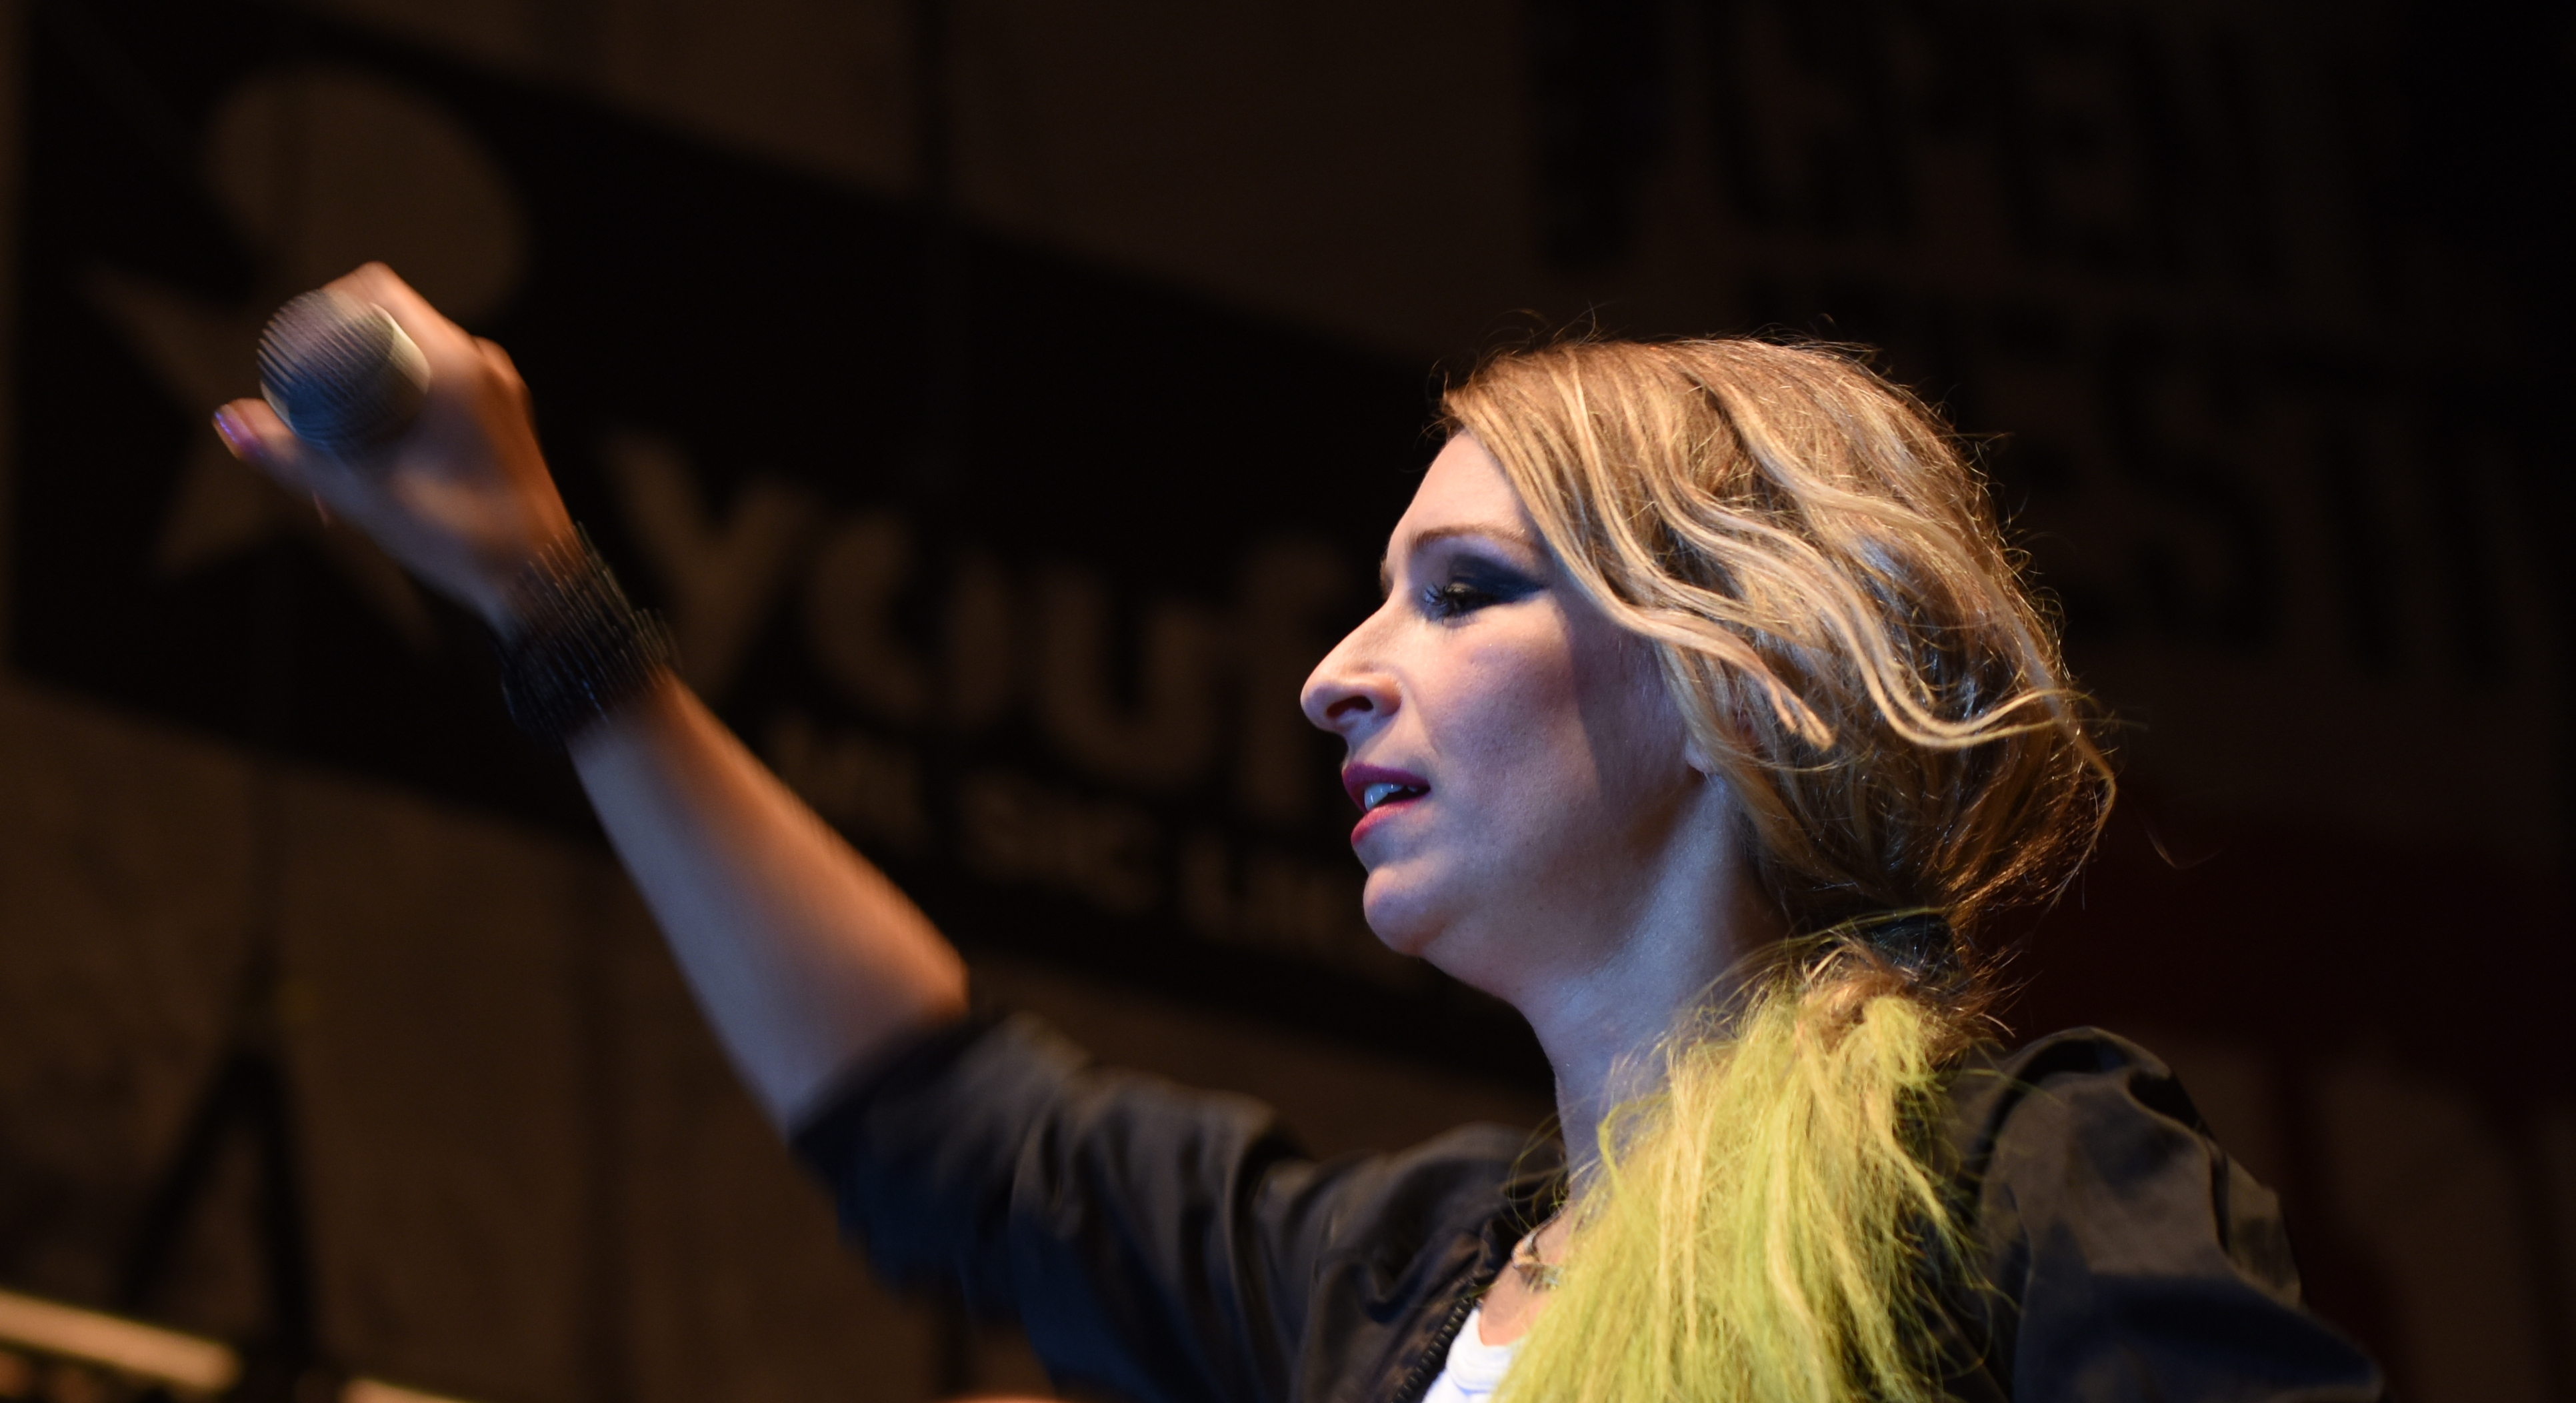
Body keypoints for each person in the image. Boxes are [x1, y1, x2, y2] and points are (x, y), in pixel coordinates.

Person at [214, 265, 2385, 1403]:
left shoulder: (2022, 1193)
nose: (1335, 673)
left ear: (1745, 683)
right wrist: (549, 605)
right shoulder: (1393, 1283)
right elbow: (939, 1125)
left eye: (1464, 591)